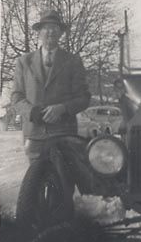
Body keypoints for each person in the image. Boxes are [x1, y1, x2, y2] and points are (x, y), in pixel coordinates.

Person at [11, 10, 91, 162]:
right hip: (34, 136)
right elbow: (16, 96)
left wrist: (63, 108)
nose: (51, 31)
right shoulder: (24, 62)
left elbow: (84, 98)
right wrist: (31, 112)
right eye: (46, 27)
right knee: (34, 183)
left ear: (61, 33)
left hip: (64, 135)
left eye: (55, 27)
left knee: (64, 181)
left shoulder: (73, 61)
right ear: (39, 32)